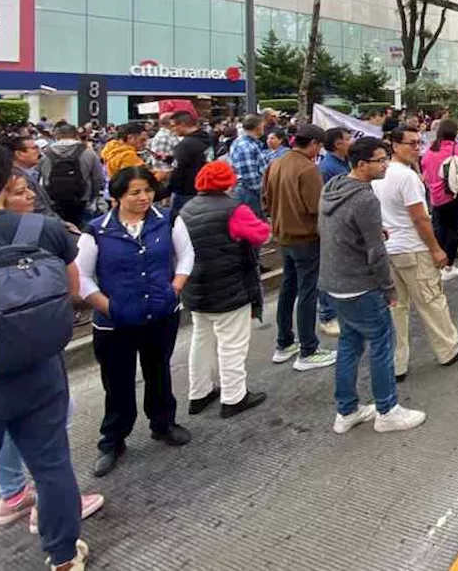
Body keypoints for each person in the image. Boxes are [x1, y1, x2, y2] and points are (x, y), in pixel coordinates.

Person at [0, 144, 92, 571]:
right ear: (5, 183)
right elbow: (72, 292)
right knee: (52, 466)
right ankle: (64, 556)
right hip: (41, 370)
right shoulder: (45, 229)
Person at [78, 166, 193, 478]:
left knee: (159, 370)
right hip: (115, 324)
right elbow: (82, 278)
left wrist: (176, 287)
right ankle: (113, 440)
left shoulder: (166, 219)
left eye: (148, 190)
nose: (144, 197)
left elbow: (185, 255)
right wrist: (109, 306)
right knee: (117, 382)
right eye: (135, 192)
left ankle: (163, 422)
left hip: (161, 314)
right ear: (117, 197)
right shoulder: (97, 230)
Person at [320, 137, 427, 435]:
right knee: (382, 344)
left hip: (334, 281)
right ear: (362, 164)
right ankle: (387, 409)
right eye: (380, 160)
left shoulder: (334, 187)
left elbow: (335, 229)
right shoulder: (365, 198)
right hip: (361, 284)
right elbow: (376, 253)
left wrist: (370, 232)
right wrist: (388, 288)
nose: (385, 164)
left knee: (349, 344)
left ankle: (347, 410)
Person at [375, 126, 458, 380]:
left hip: (388, 250)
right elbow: (420, 218)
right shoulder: (405, 177)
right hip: (412, 249)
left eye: (419, 143)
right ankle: (449, 349)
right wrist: (436, 249)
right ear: (394, 145)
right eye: (411, 143)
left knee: (396, 308)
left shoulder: (378, 174)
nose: (417, 148)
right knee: (431, 301)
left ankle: (398, 363)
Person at [178, 161, 269, 420]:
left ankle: (199, 392)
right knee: (232, 343)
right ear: (227, 182)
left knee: (201, 340)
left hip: (195, 286)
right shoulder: (233, 209)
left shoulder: (186, 209)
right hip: (230, 286)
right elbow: (261, 235)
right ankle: (234, 396)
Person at [263, 124, 339, 368]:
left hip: (283, 235)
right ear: (315, 144)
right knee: (308, 293)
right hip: (305, 237)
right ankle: (308, 349)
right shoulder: (308, 169)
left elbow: (265, 199)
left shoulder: (277, 162)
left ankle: (284, 342)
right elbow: (317, 208)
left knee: (289, 289)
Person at [422, 118, 458, 282]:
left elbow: (424, 168)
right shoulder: (455, 149)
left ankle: (436, 261)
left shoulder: (430, 149)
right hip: (452, 194)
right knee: (453, 230)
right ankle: (448, 266)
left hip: (435, 195)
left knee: (439, 229)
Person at [40, 124, 103, 228]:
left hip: (53, 199)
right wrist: (94, 196)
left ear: (57, 135)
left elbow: (43, 176)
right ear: (76, 135)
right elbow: (97, 178)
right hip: (82, 198)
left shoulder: (46, 153)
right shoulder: (88, 152)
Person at [166, 111, 213, 217]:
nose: (172, 130)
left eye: (173, 126)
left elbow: (178, 172)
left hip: (186, 192)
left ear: (182, 125)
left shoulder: (184, 145)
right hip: (207, 188)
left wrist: (167, 190)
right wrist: (170, 159)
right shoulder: (207, 139)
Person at [2, 134, 59, 218]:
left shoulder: (29, 173)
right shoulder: (16, 177)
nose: (39, 151)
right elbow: (38, 209)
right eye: (34, 148)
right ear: (19, 154)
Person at [229, 114, 266, 218]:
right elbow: (250, 177)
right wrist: (262, 194)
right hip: (249, 193)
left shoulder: (243, 142)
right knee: (255, 225)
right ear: (258, 126)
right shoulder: (246, 147)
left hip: (246, 191)